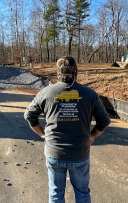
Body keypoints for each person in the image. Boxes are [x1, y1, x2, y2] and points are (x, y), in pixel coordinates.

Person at [24, 56, 111, 203]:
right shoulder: (89, 94)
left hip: (54, 153)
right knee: (82, 193)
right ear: (76, 72)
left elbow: (29, 115)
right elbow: (104, 120)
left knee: (56, 193)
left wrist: (42, 134)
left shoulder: (46, 92)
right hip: (79, 154)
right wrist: (92, 135)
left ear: (58, 72)